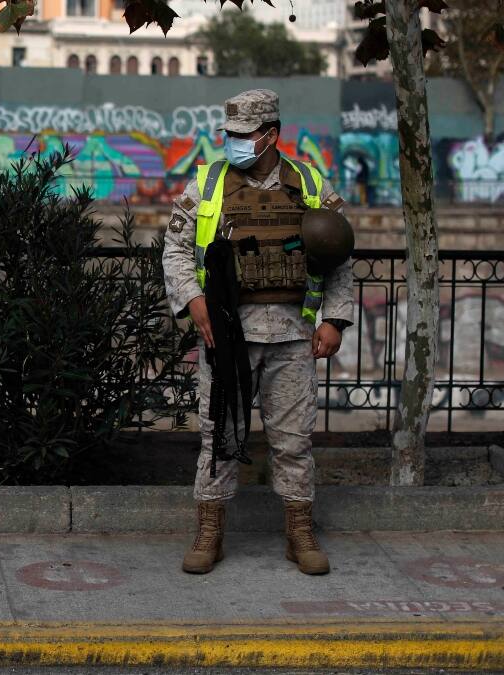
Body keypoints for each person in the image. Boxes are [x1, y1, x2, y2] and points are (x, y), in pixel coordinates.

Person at [162, 89, 354, 576]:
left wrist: (334, 318)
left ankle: (299, 533)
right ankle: (210, 531)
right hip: (226, 335)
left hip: (292, 334)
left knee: (293, 440)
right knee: (219, 434)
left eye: (245, 136)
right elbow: (176, 249)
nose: (235, 144)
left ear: (271, 135)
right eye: (230, 135)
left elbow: (338, 255)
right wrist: (193, 300)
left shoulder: (309, 183)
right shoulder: (207, 184)